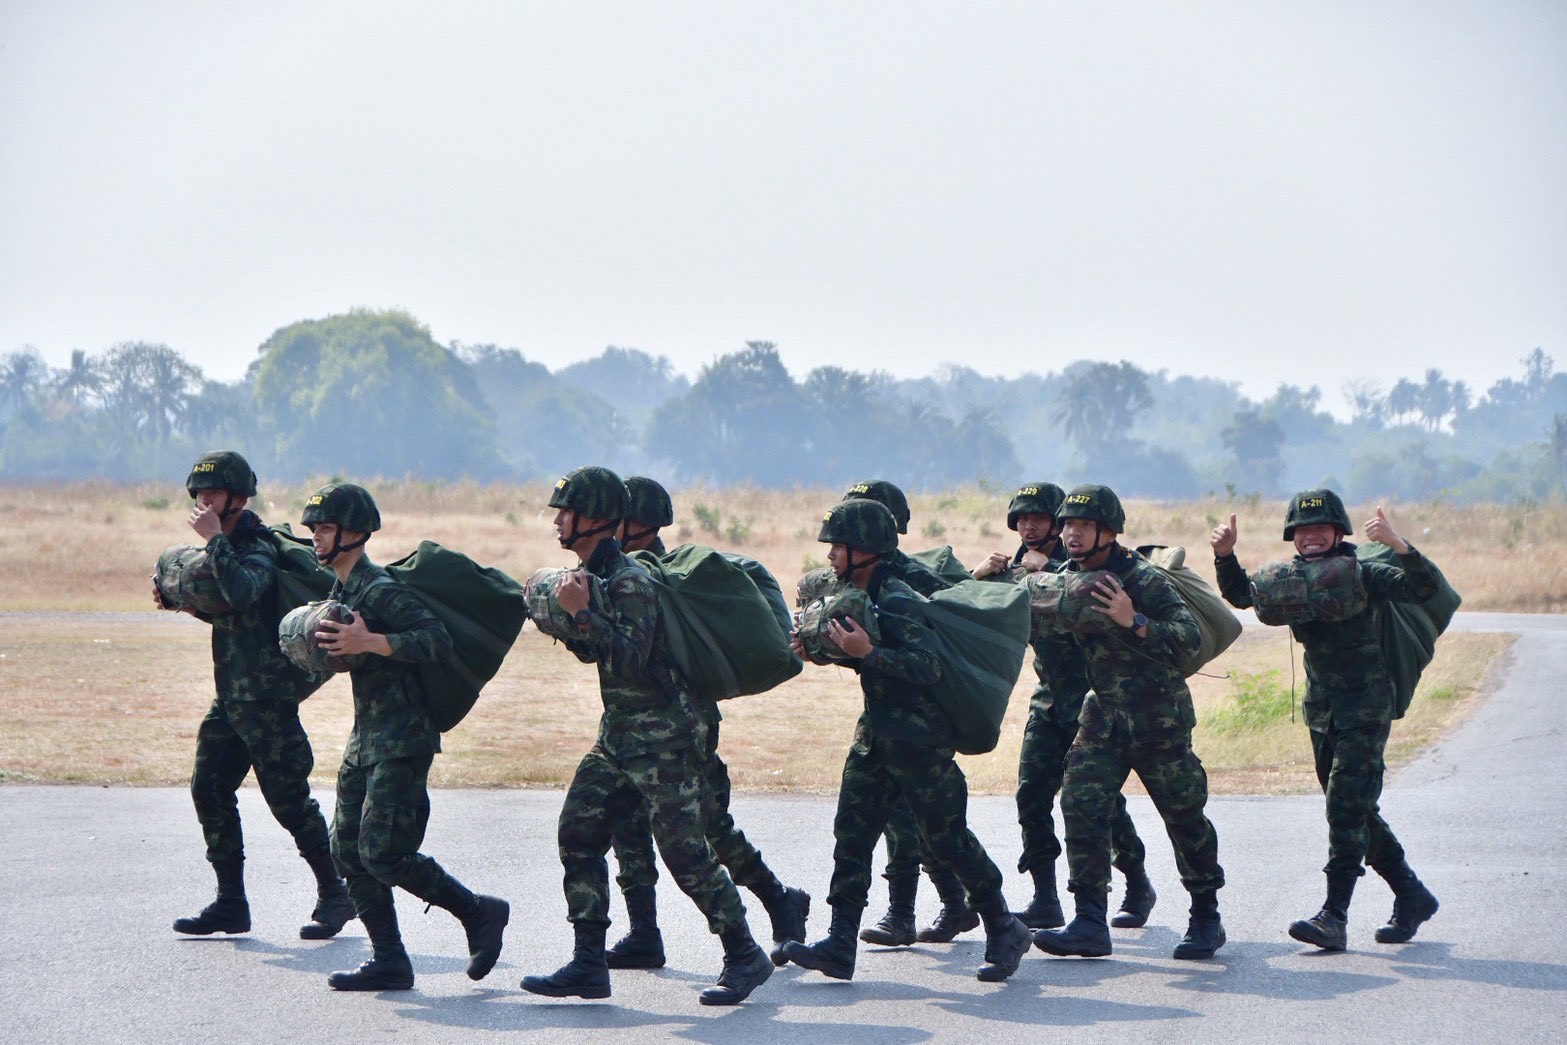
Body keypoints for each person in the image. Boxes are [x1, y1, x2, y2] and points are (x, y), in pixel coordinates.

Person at [521, 466, 773, 1006]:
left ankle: (745, 954)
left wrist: (582, 615)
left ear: (595, 520)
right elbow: (595, 651)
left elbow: (631, 659)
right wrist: (569, 619)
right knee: (578, 832)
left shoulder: (630, 580)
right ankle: (589, 963)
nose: (558, 521)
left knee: (686, 855)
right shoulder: (591, 574)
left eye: (567, 512)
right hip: (620, 736)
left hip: (665, 740)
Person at [782, 499, 1033, 983]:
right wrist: (828, 653)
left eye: (839, 546)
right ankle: (839, 943)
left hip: (920, 743)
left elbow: (927, 667)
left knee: (948, 840)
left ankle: (1005, 926)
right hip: (877, 738)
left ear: (866, 550)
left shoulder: (896, 598)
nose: (830, 555)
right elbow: (865, 657)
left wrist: (868, 653)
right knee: (852, 836)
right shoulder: (857, 593)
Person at [1211, 490, 1440, 949]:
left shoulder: (1365, 573)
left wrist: (1399, 545)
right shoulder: (1289, 578)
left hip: (1366, 708)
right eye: (1302, 530)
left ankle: (1333, 916)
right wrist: (1225, 555)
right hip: (1322, 710)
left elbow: (1423, 588)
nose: (1310, 536)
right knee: (1355, 809)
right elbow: (1241, 595)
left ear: (1338, 533)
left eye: (1320, 529)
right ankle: (1411, 893)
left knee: (1345, 809)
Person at [303, 482, 509, 992]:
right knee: (347, 851)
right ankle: (389, 960)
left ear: (354, 534)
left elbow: (435, 639)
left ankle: (477, 911)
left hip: (403, 739)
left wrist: (372, 640)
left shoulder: (380, 590)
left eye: (325, 528)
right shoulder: (342, 592)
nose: (316, 537)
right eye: (314, 529)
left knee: (383, 852)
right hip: (366, 738)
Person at [601, 476, 810, 971]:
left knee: (705, 827)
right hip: (630, 724)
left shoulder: (658, 580)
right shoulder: (622, 573)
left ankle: (779, 900)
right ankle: (644, 933)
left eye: (614, 518)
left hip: (677, 727)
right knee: (627, 825)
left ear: (638, 524)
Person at [161, 450, 353, 941]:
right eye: (201, 493)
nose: (205, 501)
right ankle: (231, 902)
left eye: (215, 494)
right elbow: (231, 612)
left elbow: (245, 591)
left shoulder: (255, 547)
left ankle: (336, 894)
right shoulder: (227, 547)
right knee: (209, 788)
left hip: (266, 700)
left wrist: (213, 541)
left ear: (239, 500)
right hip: (232, 698)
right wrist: (182, 602)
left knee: (289, 801)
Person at [1033, 484, 1226, 961]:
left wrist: (1133, 619)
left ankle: (1206, 916)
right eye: (1068, 525)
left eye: (1084, 526)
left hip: (1158, 717)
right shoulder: (1066, 576)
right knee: (1079, 804)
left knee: (1183, 815)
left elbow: (1187, 639)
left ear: (1109, 532)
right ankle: (1089, 921)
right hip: (1103, 716)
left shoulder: (1143, 579)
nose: (1073, 534)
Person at [971, 482, 1154, 931]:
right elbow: (974, 610)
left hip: (1092, 701)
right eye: (1022, 519)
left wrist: (1048, 569)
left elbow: (1091, 592)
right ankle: (1045, 899)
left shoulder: (1080, 564)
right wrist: (977, 576)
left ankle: (1136, 882)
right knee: (1031, 795)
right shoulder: (1017, 567)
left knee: (1099, 802)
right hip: (1050, 701)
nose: (1029, 526)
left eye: (1039, 518)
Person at [838, 480, 981, 950]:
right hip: (882, 717)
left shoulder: (908, 582)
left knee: (923, 822)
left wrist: (871, 653)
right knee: (893, 819)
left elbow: (929, 655)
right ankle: (953, 903)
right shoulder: (858, 582)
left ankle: (907, 912)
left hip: (920, 723)